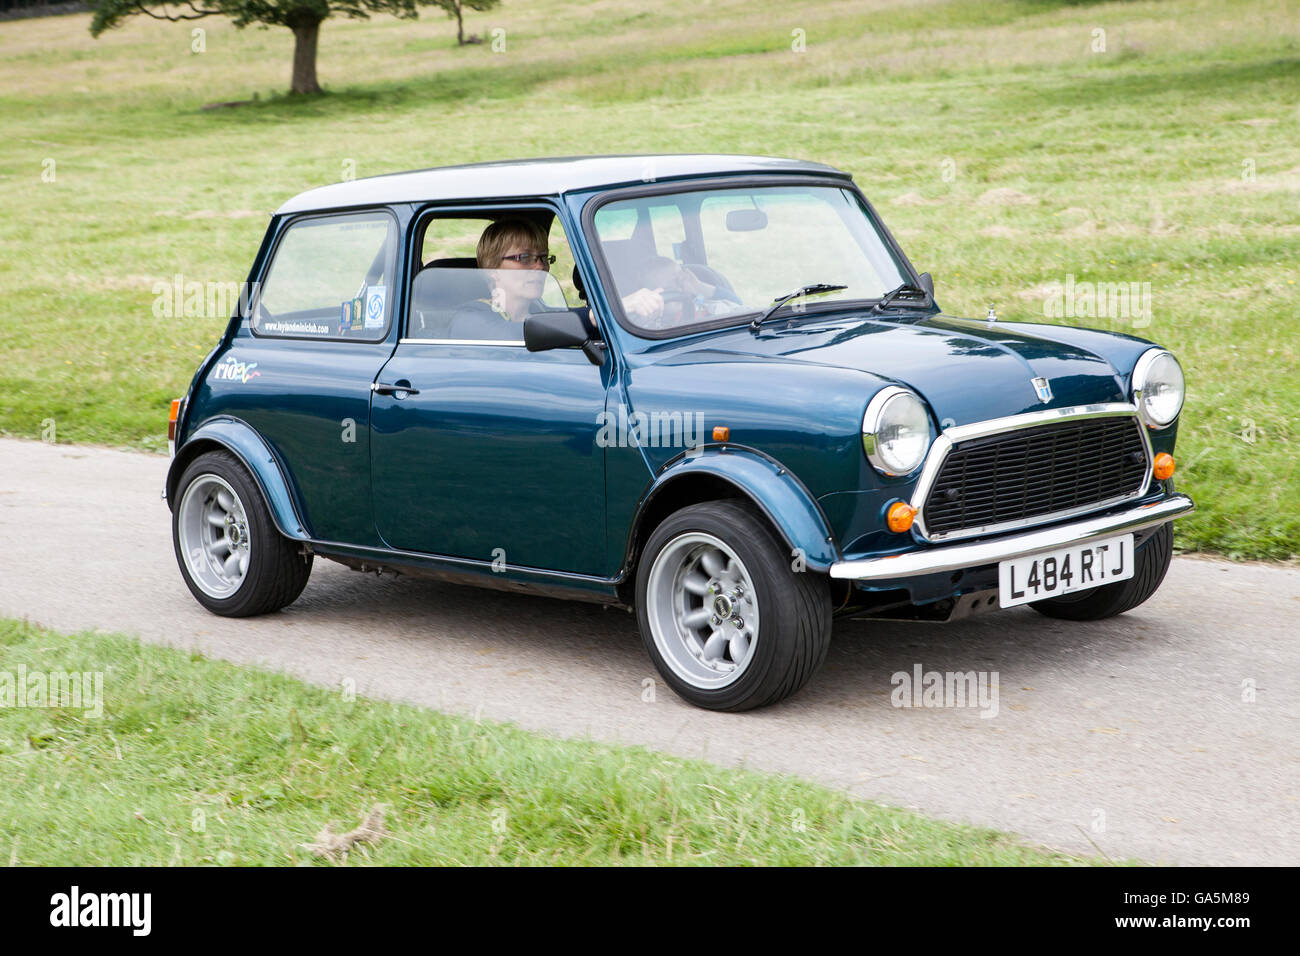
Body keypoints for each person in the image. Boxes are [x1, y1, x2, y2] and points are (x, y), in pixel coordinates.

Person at [446, 218, 556, 340]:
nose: (540, 266)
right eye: (525, 257)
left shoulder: (539, 309)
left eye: (544, 257)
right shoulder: (469, 319)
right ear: (493, 270)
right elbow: (513, 336)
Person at [619, 256, 741, 330]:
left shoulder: (704, 305)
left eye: (679, 281)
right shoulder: (645, 326)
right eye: (668, 288)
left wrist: (699, 287)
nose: (679, 290)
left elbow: (739, 307)